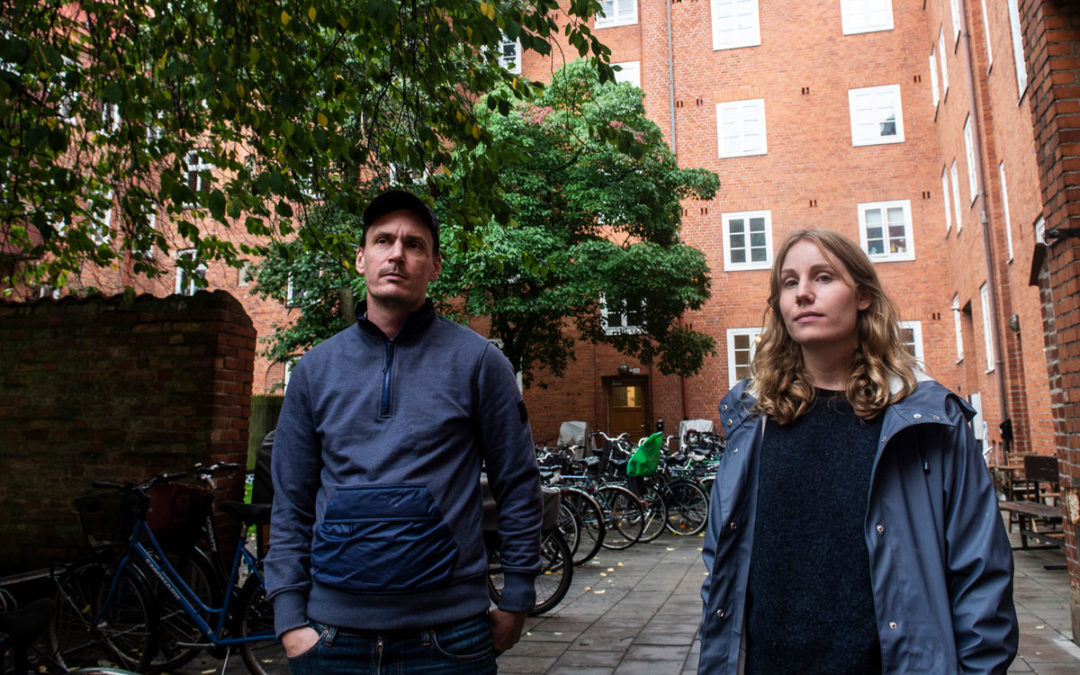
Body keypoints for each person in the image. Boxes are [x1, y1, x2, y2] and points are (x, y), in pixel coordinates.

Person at [699, 229, 1018, 674]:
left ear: (863, 296)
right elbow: (722, 561)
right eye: (789, 282)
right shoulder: (752, 420)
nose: (803, 293)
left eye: (823, 277)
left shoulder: (927, 422)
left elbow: (981, 573)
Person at [265, 189, 542, 673]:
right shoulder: (313, 371)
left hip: (449, 639)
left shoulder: (480, 364)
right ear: (361, 258)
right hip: (331, 640)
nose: (397, 254)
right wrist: (290, 619)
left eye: (415, 245)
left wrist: (517, 597)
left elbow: (518, 485)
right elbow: (290, 501)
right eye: (383, 241)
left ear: (435, 265)